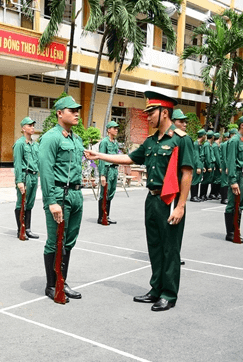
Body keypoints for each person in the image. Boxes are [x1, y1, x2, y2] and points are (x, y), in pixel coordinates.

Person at [85, 91, 193, 311]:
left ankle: (169, 294)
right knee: (154, 247)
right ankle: (156, 289)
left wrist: (181, 206)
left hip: (169, 200)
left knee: (169, 249)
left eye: (151, 113)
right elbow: (130, 158)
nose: (148, 117)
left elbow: (187, 174)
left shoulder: (181, 140)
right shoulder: (151, 141)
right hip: (151, 200)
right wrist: (100, 156)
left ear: (164, 113)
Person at [39, 95, 85, 302]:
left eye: (77, 110)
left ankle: (62, 280)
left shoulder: (76, 139)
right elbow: (46, 170)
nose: (76, 113)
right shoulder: (51, 137)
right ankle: (52, 285)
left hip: (76, 195)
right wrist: (51, 201)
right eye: (71, 110)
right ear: (59, 113)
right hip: (60, 195)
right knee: (56, 241)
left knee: (69, 241)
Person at [13, 116, 40, 239]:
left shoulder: (35, 144)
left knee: (30, 203)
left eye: (33, 125)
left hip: (34, 176)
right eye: (29, 126)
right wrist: (19, 181)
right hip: (25, 176)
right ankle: (21, 230)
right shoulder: (19, 144)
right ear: (23, 128)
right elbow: (17, 164)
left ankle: (27, 228)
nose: (32, 128)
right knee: (22, 203)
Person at [224, 117, 243, 241]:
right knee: (233, 203)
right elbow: (231, 161)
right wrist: (233, 181)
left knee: (240, 204)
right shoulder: (235, 141)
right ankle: (231, 233)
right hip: (237, 175)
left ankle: (237, 230)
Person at [97, 121, 120, 224]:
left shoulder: (115, 143)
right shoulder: (104, 142)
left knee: (111, 193)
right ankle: (101, 217)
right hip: (107, 170)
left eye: (117, 128)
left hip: (114, 170)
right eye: (114, 128)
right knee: (104, 193)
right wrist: (102, 174)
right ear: (109, 129)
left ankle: (107, 215)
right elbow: (101, 158)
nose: (116, 130)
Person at [190, 129, 206, 202]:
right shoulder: (196, 144)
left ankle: (196, 195)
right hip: (196, 165)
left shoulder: (200, 144)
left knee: (198, 180)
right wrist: (199, 167)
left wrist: (202, 166)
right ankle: (193, 196)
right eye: (205, 135)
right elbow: (196, 156)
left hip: (199, 164)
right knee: (195, 181)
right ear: (202, 136)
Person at [200, 130, 215, 200]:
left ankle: (204, 195)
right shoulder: (207, 145)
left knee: (208, 180)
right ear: (212, 137)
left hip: (210, 164)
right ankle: (202, 195)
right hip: (207, 164)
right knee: (205, 180)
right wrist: (209, 166)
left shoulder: (208, 144)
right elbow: (207, 156)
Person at [219, 131, 231, 204]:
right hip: (225, 166)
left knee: (228, 182)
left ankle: (227, 197)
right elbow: (224, 156)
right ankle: (224, 198)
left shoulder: (231, 144)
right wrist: (226, 166)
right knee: (225, 182)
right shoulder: (224, 145)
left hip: (230, 165)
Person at [210, 132, 223, 200]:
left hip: (216, 165)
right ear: (219, 138)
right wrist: (220, 166)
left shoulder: (214, 145)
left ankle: (215, 193)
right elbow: (217, 157)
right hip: (216, 165)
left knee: (216, 179)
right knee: (217, 180)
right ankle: (214, 193)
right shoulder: (215, 146)